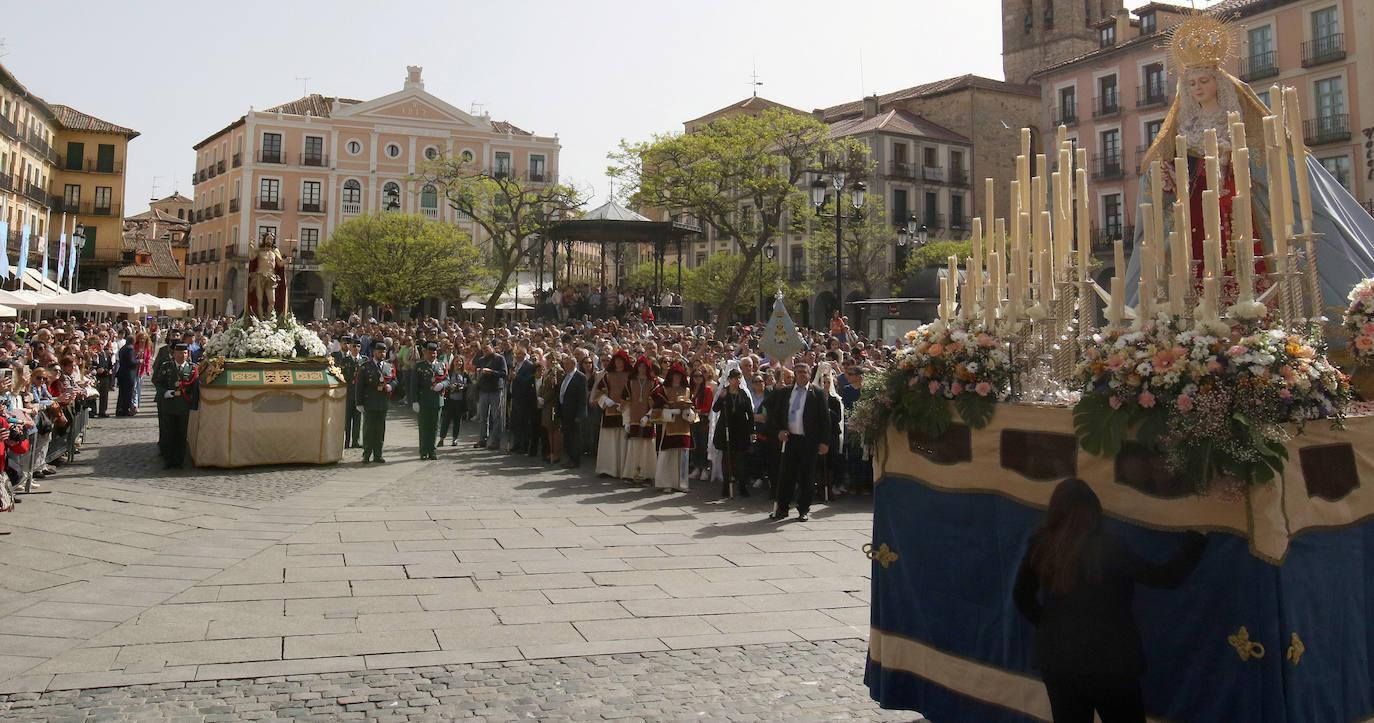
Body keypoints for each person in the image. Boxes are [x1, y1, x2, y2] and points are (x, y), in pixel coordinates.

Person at [1013, 479, 1208, 723]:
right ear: (1095, 509)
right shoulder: (1108, 547)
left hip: (1058, 661)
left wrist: (1051, 624)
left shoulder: (1042, 544)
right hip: (1110, 664)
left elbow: (1021, 597)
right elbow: (1165, 577)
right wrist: (1197, 538)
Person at [766, 362, 830, 522]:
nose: (801, 374)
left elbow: (825, 419)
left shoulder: (817, 393)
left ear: (809, 374)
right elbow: (775, 414)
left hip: (808, 441)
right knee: (786, 476)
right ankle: (782, 508)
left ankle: (803, 509)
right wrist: (779, 431)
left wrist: (824, 441)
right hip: (790, 440)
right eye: (798, 371)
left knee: (806, 477)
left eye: (805, 372)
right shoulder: (785, 392)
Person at [153, 343, 199, 469]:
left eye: (184, 353)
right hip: (169, 404)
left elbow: (195, 387)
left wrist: (193, 404)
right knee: (169, 432)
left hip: (184, 405)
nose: (182, 356)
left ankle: (179, 460)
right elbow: (157, 381)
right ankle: (169, 460)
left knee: (181, 433)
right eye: (179, 353)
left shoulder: (192, 368)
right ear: (174, 354)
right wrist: (164, 392)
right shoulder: (166, 366)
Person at [650, 362, 695, 493]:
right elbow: (656, 410)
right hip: (668, 427)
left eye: (679, 376)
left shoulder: (687, 390)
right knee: (667, 455)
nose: (677, 378)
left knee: (683, 456)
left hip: (684, 427)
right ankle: (666, 483)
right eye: (675, 375)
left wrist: (689, 413)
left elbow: (692, 408)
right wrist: (670, 413)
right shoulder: (663, 390)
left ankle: (681, 483)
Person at [711, 367, 754, 499]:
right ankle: (726, 485)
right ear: (729, 380)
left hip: (741, 429)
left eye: (739, 378)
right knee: (727, 458)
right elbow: (715, 408)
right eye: (735, 378)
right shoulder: (724, 392)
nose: (737, 380)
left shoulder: (743, 394)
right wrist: (721, 398)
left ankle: (742, 485)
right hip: (726, 428)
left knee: (741, 459)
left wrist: (752, 431)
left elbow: (750, 414)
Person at [592, 350, 631, 478]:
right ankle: (607, 469)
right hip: (609, 411)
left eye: (621, 361)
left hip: (625, 412)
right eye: (617, 361)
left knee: (623, 441)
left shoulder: (631, 376)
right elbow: (599, 392)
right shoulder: (607, 375)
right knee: (609, 441)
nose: (619, 364)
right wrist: (605, 400)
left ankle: (622, 470)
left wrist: (627, 404)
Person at [355, 341, 395, 463]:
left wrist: (391, 386)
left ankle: (378, 454)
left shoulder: (389, 366)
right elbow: (359, 385)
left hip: (383, 402)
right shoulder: (366, 366)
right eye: (379, 351)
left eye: (383, 351)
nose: (382, 354)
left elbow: (395, 380)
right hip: (370, 401)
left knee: (380, 429)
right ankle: (366, 454)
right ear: (374, 352)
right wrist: (359, 403)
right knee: (368, 429)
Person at [621, 356, 657, 484]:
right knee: (633, 446)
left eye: (644, 367)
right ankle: (631, 474)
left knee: (647, 446)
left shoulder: (653, 382)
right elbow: (625, 402)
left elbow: (657, 403)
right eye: (640, 366)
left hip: (647, 419)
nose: (642, 369)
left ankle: (646, 474)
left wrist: (648, 415)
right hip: (634, 418)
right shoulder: (630, 381)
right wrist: (626, 421)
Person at [413, 341, 445, 460]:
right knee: (424, 427)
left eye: (435, 353)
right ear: (425, 353)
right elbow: (414, 385)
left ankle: (432, 450)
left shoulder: (441, 365)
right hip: (424, 400)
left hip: (437, 401)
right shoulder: (419, 366)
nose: (433, 355)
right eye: (430, 353)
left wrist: (442, 385)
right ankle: (423, 451)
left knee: (434, 426)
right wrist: (414, 400)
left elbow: (447, 378)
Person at [473, 342, 506, 450]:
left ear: (492, 348)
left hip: (495, 390)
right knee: (483, 417)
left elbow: (503, 373)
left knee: (496, 417)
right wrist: (479, 373)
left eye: (487, 349)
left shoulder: (499, 359)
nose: (485, 351)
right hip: (484, 390)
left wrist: (491, 372)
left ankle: (496, 441)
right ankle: (483, 439)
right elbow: (478, 372)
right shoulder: (481, 360)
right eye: (483, 349)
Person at [556, 354, 586, 468]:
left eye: (567, 364)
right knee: (567, 436)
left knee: (575, 437)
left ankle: (575, 460)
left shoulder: (580, 377)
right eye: (564, 364)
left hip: (575, 412)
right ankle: (569, 458)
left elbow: (583, 397)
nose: (565, 366)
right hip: (565, 411)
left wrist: (580, 414)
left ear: (573, 364)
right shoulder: (565, 376)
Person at [335, 335, 362, 448]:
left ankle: (355, 441)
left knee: (358, 419)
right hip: (348, 393)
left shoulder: (364, 360)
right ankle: (346, 441)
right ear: (350, 347)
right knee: (347, 420)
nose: (356, 348)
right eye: (354, 346)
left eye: (358, 346)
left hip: (359, 395)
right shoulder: (345, 361)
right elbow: (341, 377)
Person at [438, 354, 468, 448]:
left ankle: (455, 439)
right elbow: (444, 383)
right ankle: (442, 438)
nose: (458, 363)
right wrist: (450, 386)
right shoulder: (449, 372)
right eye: (457, 361)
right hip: (449, 400)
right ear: (453, 362)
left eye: (460, 361)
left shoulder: (465, 373)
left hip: (460, 401)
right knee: (446, 420)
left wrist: (463, 387)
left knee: (457, 420)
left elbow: (469, 384)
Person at [114, 335, 139, 417]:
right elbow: (131, 362)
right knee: (127, 394)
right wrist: (139, 361)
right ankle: (125, 410)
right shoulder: (130, 349)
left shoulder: (123, 348)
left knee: (122, 394)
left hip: (122, 373)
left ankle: (120, 409)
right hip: (128, 375)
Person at [91, 339, 115, 418]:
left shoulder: (107, 354)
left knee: (104, 395)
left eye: (101, 344)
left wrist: (109, 370)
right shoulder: (95, 355)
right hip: (97, 377)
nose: (100, 346)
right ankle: (93, 411)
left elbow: (110, 364)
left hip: (105, 376)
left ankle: (102, 411)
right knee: (94, 394)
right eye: (98, 344)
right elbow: (93, 365)